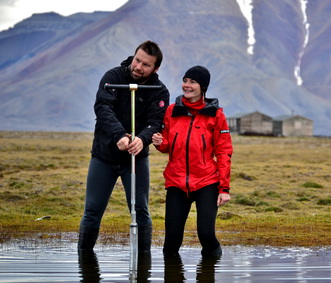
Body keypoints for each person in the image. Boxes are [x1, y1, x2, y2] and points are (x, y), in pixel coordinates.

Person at [78, 40, 170, 252]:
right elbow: (102, 107)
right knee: (92, 211)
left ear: (155, 68)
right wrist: (119, 135)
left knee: (141, 210)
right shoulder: (113, 77)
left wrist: (142, 139)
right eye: (137, 60)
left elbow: (155, 122)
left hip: (136, 159)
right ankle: (85, 263)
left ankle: (143, 264)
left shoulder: (159, 91)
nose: (139, 67)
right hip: (104, 156)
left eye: (146, 65)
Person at [152, 65, 232, 258]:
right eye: (185, 81)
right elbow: (167, 145)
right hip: (176, 182)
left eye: (192, 82)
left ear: (202, 87)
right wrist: (160, 143)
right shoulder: (172, 111)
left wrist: (224, 188)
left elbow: (223, 151)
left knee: (206, 234)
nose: (187, 86)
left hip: (206, 182)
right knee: (171, 241)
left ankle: (208, 279)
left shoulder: (216, 115)